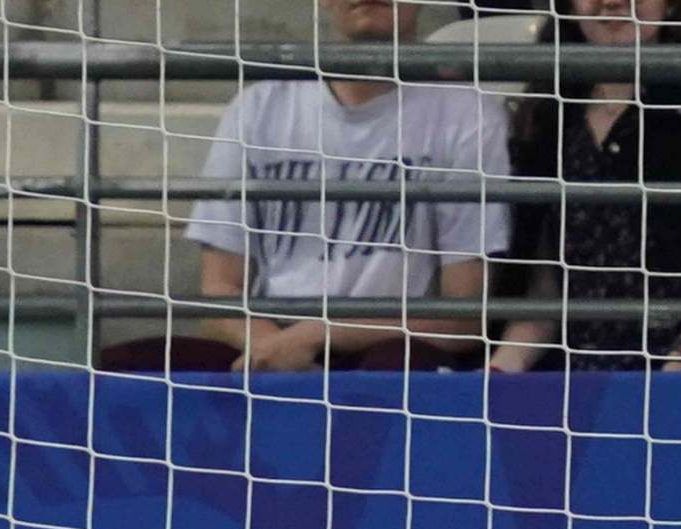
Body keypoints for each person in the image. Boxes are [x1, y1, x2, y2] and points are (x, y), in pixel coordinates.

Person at [102, 0, 510, 374]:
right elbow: (219, 290)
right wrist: (272, 349)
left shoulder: (466, 116)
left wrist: (317, 335)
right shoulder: (260, 106)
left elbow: (463, 317)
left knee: (393, 368)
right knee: (121, 366)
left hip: (390, 344)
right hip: (271, 337)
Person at [492, 0, 681, 373]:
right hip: (573, 374)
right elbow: (543, 298)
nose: (613, 1)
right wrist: (500, 370)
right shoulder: (548, 114)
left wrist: (677, 371)